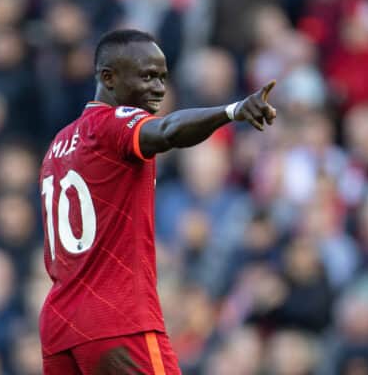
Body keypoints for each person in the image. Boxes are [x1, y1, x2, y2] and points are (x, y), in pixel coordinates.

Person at [38, 29, 277, 375]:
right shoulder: (112, 124)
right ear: (109, 78)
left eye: (163, 77)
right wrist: (232, 110)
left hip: (60, 323)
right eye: (147, 76)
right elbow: (165, 132)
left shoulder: (58, 145)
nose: (159, 88)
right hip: (116, 317)